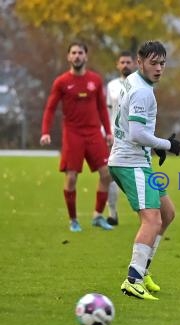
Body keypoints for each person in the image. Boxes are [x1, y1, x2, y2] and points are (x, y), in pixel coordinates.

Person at [108, 40, 180, 300]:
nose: (159, 68)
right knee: (152, 220)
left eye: (162, 63)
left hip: (133, 158)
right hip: (130, 162)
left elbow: (133, 128)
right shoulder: (143, 92)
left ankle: (143, 269)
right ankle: (133, 279)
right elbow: (138, 133)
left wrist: (155, 147)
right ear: (140, 62)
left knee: (167, 213)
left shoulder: (133, 82)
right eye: (153, 63)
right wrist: (167, 144)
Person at [40, 41, 115, 232]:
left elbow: (102, 108)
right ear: (68, 57)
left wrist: (108, 132)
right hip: (73, 134)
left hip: (93, 132)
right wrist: (45, 132)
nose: (77, 56)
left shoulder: (95, 80)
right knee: (71, 177)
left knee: (107, 173)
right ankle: (73, 220)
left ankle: (98, 215)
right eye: (73, 53)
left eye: (80, 53)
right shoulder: (61, 82)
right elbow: (50, 108)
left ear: (86, 56)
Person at [105, 51, 137, 226]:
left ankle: (144, 211)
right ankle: (112, 212)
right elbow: (107, 111)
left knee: (136, 174)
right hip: (115, 137)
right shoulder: (111, 86)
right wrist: (106, 132)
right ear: (118, 65)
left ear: (134, 64)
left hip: (135, 137)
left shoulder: (140, 84)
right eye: (122, 62)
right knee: (111, 175)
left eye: (128, 62)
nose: (125, 65)